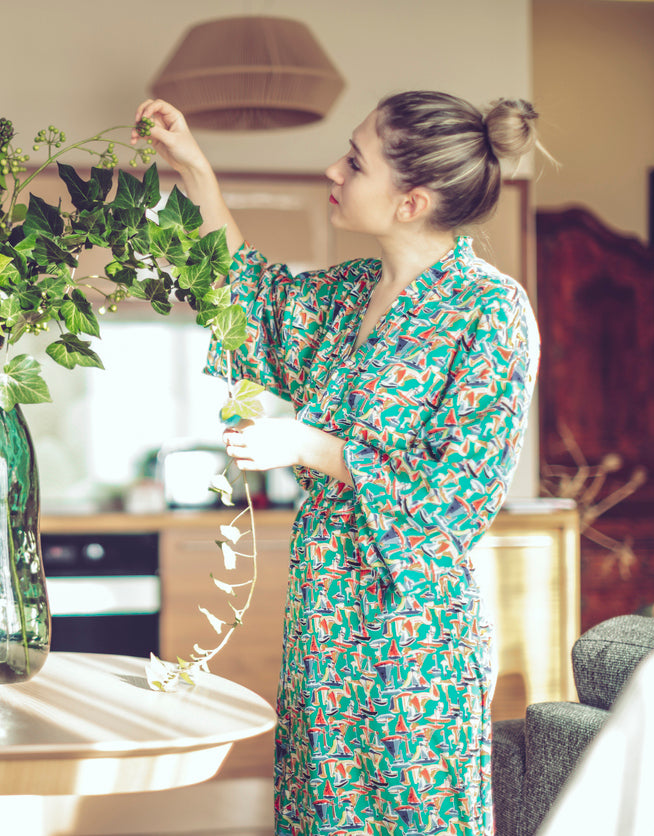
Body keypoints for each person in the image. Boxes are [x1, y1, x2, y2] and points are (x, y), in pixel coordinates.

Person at [134, 91, 544, 835]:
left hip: (412, 641)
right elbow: (255, 301)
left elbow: (461, 500)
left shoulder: (491, 312)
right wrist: (195, 172)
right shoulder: (351, 293)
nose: (333, 167)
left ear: (411, 201)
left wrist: (308, 446)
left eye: (355, 161)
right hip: (321, 624)